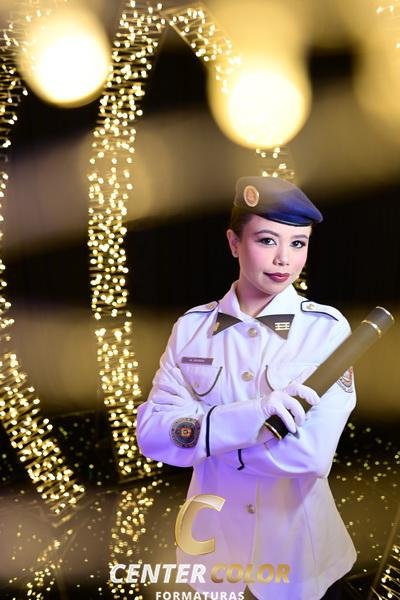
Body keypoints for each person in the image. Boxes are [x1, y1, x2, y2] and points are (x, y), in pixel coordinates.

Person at [136, 176, 357, 600]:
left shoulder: (326, 331)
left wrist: (205, 438)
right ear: (234, 243)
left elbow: (310, 456)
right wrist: (256, 417)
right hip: (212, 550)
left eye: (298, 243)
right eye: (267, 240)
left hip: (298, 556)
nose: (284, 259)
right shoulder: (191, 329)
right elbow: (153, 436)